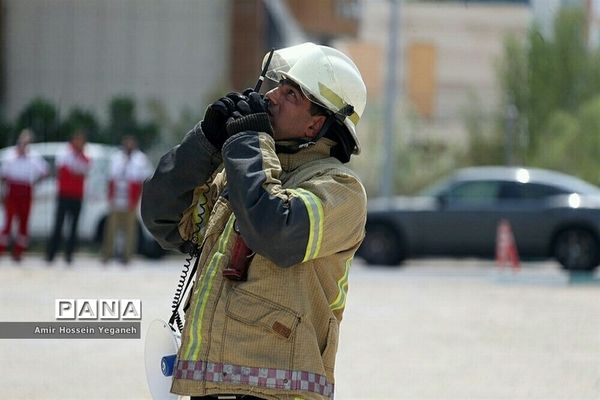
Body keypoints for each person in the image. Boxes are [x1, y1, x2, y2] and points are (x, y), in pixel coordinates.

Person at [142, 42, 367, 400]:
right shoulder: (244, 173)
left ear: (315, 124)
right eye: (277, 85)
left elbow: (274, 230)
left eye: (291, 94)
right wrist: (206, 142)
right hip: (211, 389)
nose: (272, 97)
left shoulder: (340, 190)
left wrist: (248, 141)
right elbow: (162, 218)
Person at [101, 135, 152, 264]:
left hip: (131, 200)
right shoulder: (116, 157)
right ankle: (107, 254)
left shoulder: (140, 159)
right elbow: (110, 177)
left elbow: (145, 179)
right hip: (117, 199)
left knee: (130, 230)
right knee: (111, 229)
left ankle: (127, 256)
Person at [0, 129, 49, 261]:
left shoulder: (34, 157)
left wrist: (36, 183)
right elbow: (3, 176)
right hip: (13, 191)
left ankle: (18, 252)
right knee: (7, 222)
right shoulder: (10, 156)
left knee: (23, 223)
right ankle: (1, 250)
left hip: (26, 190)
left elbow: (45, 171)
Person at [46, 130, 90, 264]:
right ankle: (51, 254)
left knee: (73, 227)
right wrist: (76, 170)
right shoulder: (64, 153)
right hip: (64, 194)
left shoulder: (85, 156)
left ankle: (69, 255)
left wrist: (76, 167)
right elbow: (66, 170)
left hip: (77, 196)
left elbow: (84, 169)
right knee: (58, 225)